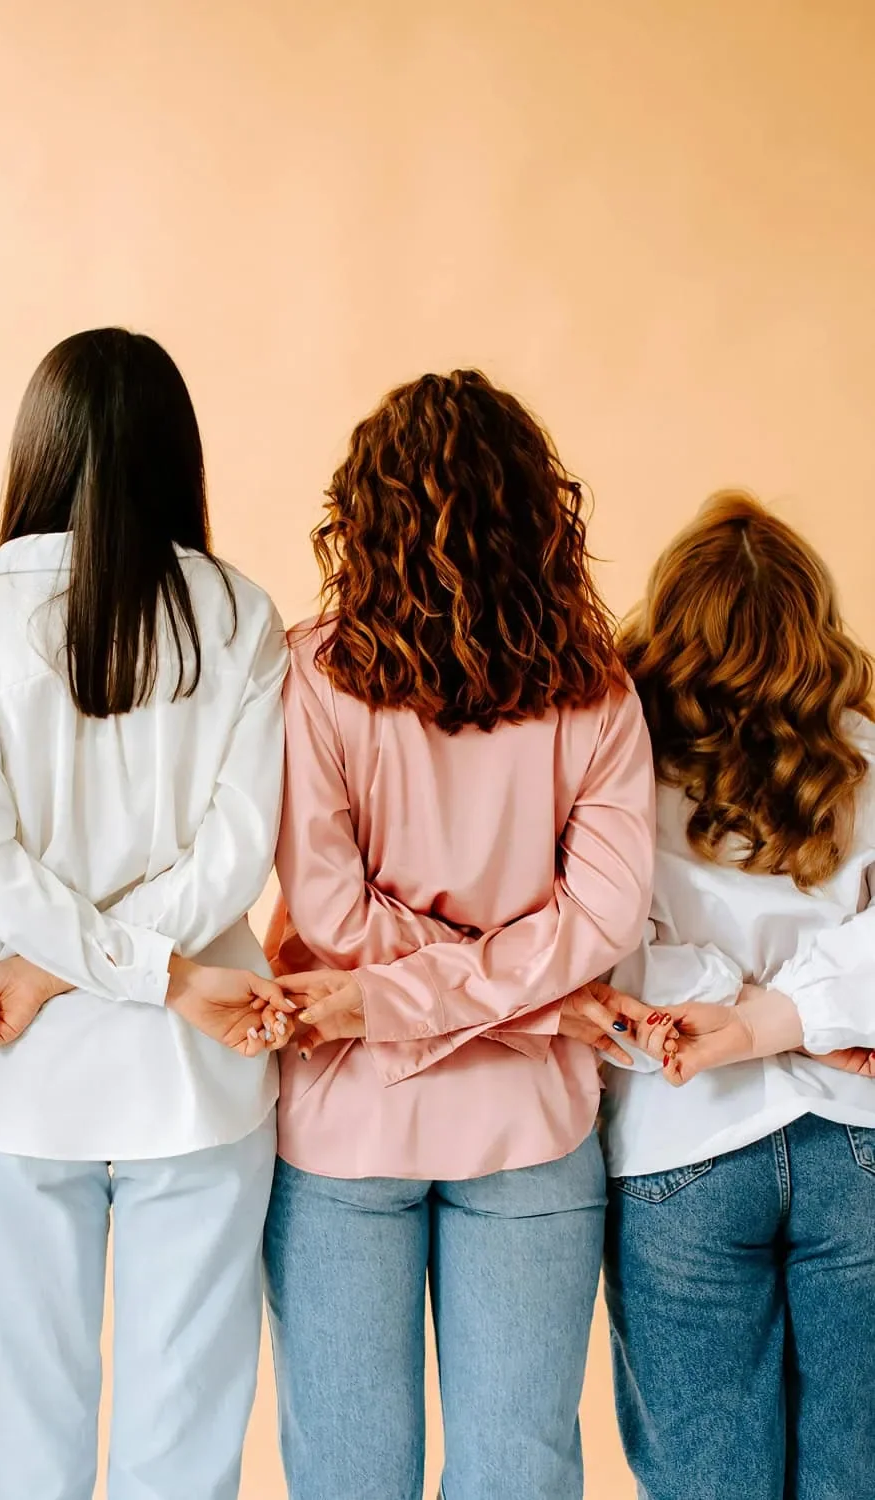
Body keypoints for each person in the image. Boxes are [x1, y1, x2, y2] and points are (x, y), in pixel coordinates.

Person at [264, 370, 660, 1500]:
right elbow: (596, 924)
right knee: (520, 1474)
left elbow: (336, 921)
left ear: (362, 516)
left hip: (345, 1119)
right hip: (530, 1122)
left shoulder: (308, 674)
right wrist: (533, 998)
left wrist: (392, 1002)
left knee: (343, 1477)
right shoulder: (600, 692)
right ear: (543, 514)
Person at [0, 328, 293, 1500]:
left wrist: (40, 974)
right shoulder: (241, 617)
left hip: (20, 1066)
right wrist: (157, 975)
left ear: (37, 450)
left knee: (25, 1432)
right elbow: (233, 864)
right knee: (188, 1438)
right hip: (200, 1065)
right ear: (179, 456)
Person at [598, 492, 875, 1499]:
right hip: (860, 1141)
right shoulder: (864, 758)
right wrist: (798, 1015)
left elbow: (608, 963)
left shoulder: (615, 763)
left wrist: (731, 1010)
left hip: (682, 1146)